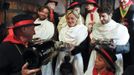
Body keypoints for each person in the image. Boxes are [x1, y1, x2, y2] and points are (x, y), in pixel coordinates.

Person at [85, 4, 130, 75]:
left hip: (113, 58)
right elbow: (91, 47)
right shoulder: (96, 26)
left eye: (103, 16)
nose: (101, 19)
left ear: (110, 15)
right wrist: (92, 44)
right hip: (97, 57)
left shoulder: (120, 29)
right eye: (99, 16)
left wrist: (115, 47)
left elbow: (127, 48)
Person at [55, 10, 88, 75]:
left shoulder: (82, 29)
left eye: (72, 18)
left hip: (76, 56)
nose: (70, 21)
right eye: (68, 18)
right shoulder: (63, 30)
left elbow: (84, 46)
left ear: (77, 19)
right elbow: (59, 43)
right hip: (62, 56)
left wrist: (74, 48)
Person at [112, 0, 134, 69]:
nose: (121, 1)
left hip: (132, 40)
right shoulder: (116, 11)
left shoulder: (133, 9)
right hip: (120, 42)